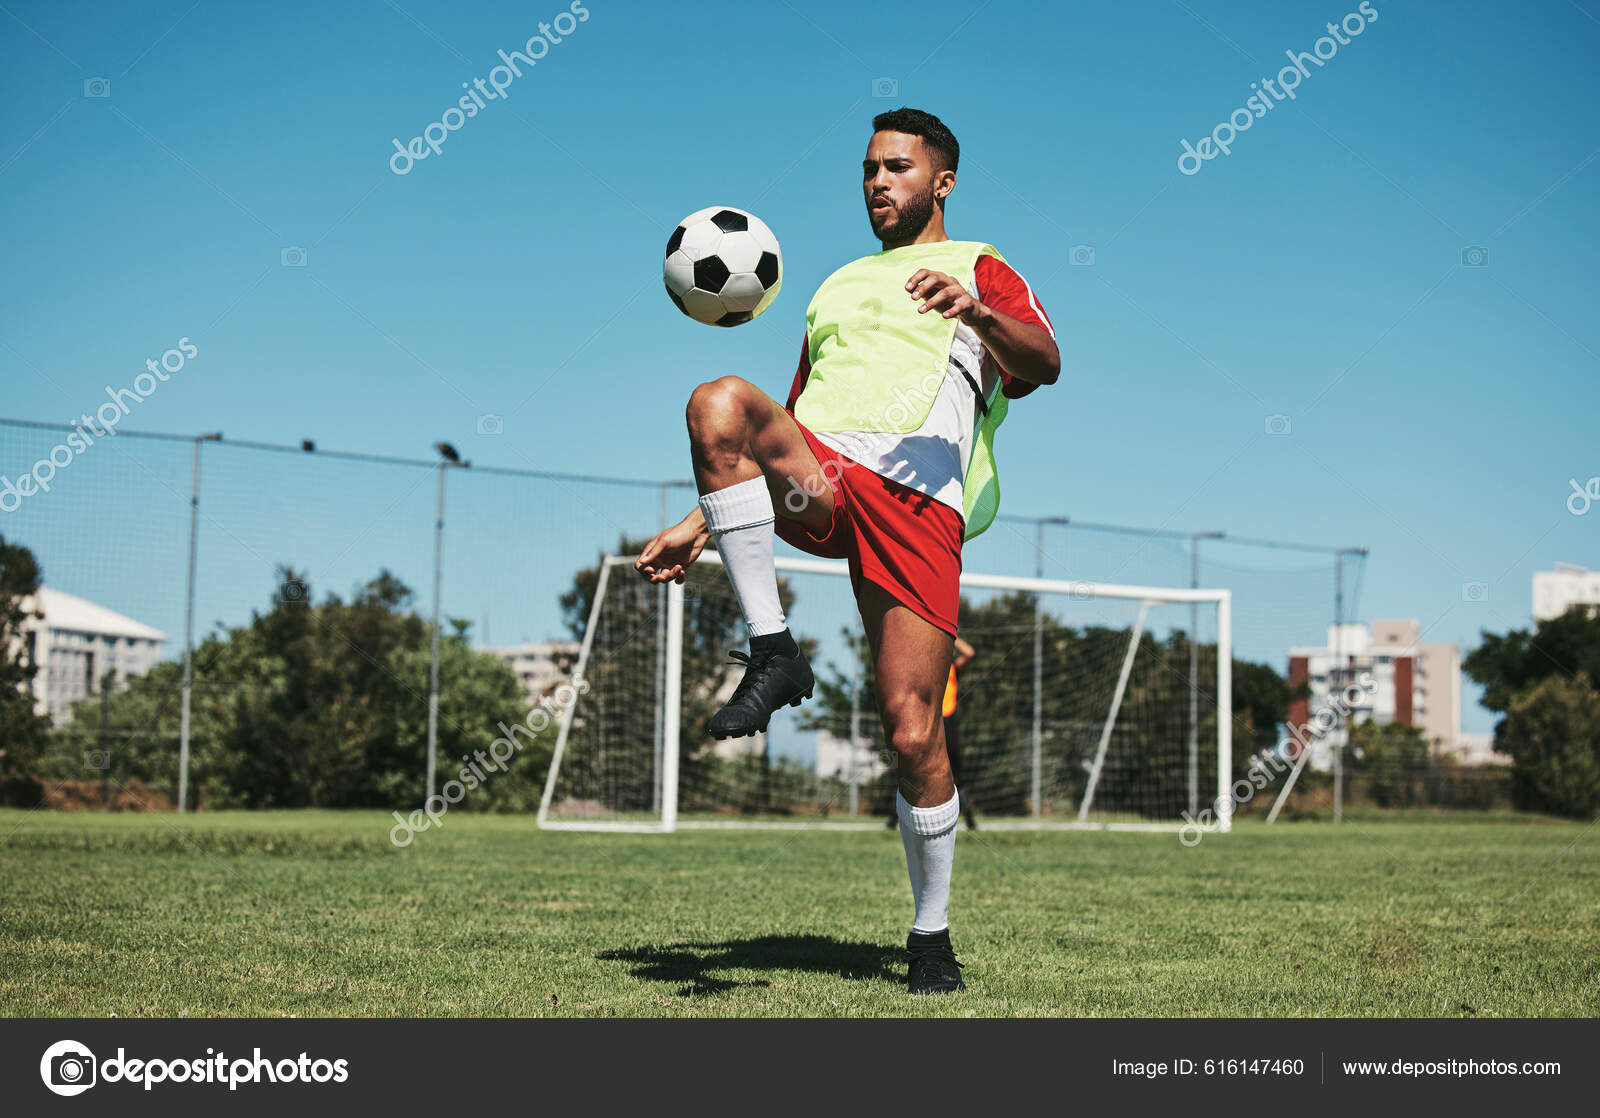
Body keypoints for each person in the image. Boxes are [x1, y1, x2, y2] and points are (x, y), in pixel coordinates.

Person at [635, 107, 1059, 995]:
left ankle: (930, 935)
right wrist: (702, 517)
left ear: (940, 182)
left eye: (898, 167)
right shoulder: (830, 287)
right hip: (826, 479)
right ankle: (773, 649)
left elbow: (1047, 360)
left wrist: (976, 312)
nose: (877, 181)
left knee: (913, 731)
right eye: (869, 167)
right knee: (720, 399)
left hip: (918, 504)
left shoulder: (978, 266)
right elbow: (777, 428)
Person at [888, 634, 977, 831]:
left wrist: (947, 635)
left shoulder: (952, 667)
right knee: (910, 768)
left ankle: (969, 819)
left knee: (957, 772)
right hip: (927, 719)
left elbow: (969, 652)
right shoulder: (923, 668)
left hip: (948, 719)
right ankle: (894, 819)